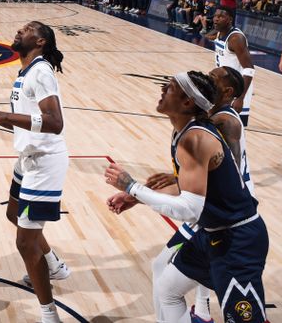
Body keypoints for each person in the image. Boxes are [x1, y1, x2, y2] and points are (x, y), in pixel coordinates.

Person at [105, 71, 268, 323]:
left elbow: (189, 210)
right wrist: (137, 198)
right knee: (167, 288)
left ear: (187, 102)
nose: (161, 91)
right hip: (212, 233)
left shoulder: (195, 138)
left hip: (238, 239)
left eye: (169, 88)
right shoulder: (183, 132)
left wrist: (134, 188)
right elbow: (187, 187)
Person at [0, 22, 70, 323]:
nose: (18, 31)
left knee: (25, 243)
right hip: (27, 158)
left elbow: (54, 122)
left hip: (45, 160)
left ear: (39, 41)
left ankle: (49, 315)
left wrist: (3, 114)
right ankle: (54, 265)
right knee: (14, 215)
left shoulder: (41, 71)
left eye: (26, 30)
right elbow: (25, 121)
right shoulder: (25, 72)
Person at [143, 66, 253, 323]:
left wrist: (135, 190)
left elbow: (230, 169)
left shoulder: (224, 121)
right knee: (168, 271)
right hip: (213, 208)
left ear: (226, 92)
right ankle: (202, 311)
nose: (208, 78)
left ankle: (204, 311)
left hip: (225, 211)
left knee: (167, 269)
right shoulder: (199, 122)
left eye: (213, 78)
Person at [212, 7, 254, 126]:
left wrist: (240, 98)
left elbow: (249, 69)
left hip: (237, 90)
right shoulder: (220, 32)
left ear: (229, 19)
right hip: (222, 87)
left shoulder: (236, 39)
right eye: (215, 16)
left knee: (234, 132)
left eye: (221, 16)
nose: (216, 19)